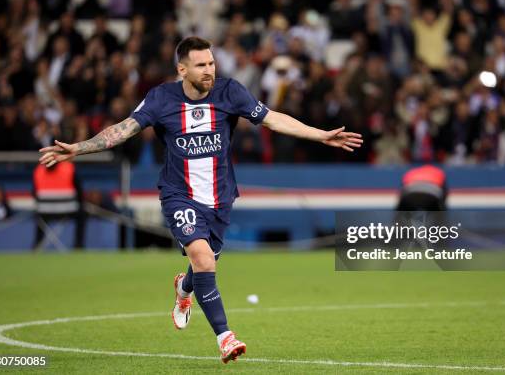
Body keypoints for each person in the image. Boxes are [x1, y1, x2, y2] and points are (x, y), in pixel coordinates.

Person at [38, 36, 362, 363]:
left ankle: (184, 288)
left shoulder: (231, 92)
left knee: (204, 263)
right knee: (204, 260)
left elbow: (273, 119)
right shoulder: (161, 98)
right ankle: (225, 337)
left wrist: (321, 135)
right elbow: (123, 129)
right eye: (201, 65)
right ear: (182, 69)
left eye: (211, 63)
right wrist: (78, 148)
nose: (209, 70)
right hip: (179, 196)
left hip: (220, 198)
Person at [32, 161, 86, 249]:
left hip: (44, 213)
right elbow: (79, 191)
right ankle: (78, 245)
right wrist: (80, 204)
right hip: (68, 211)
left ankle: (37, 245)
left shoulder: (38, 170)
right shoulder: (69, 167)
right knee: (82, 215)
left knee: (39, 218)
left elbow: (34, 193)